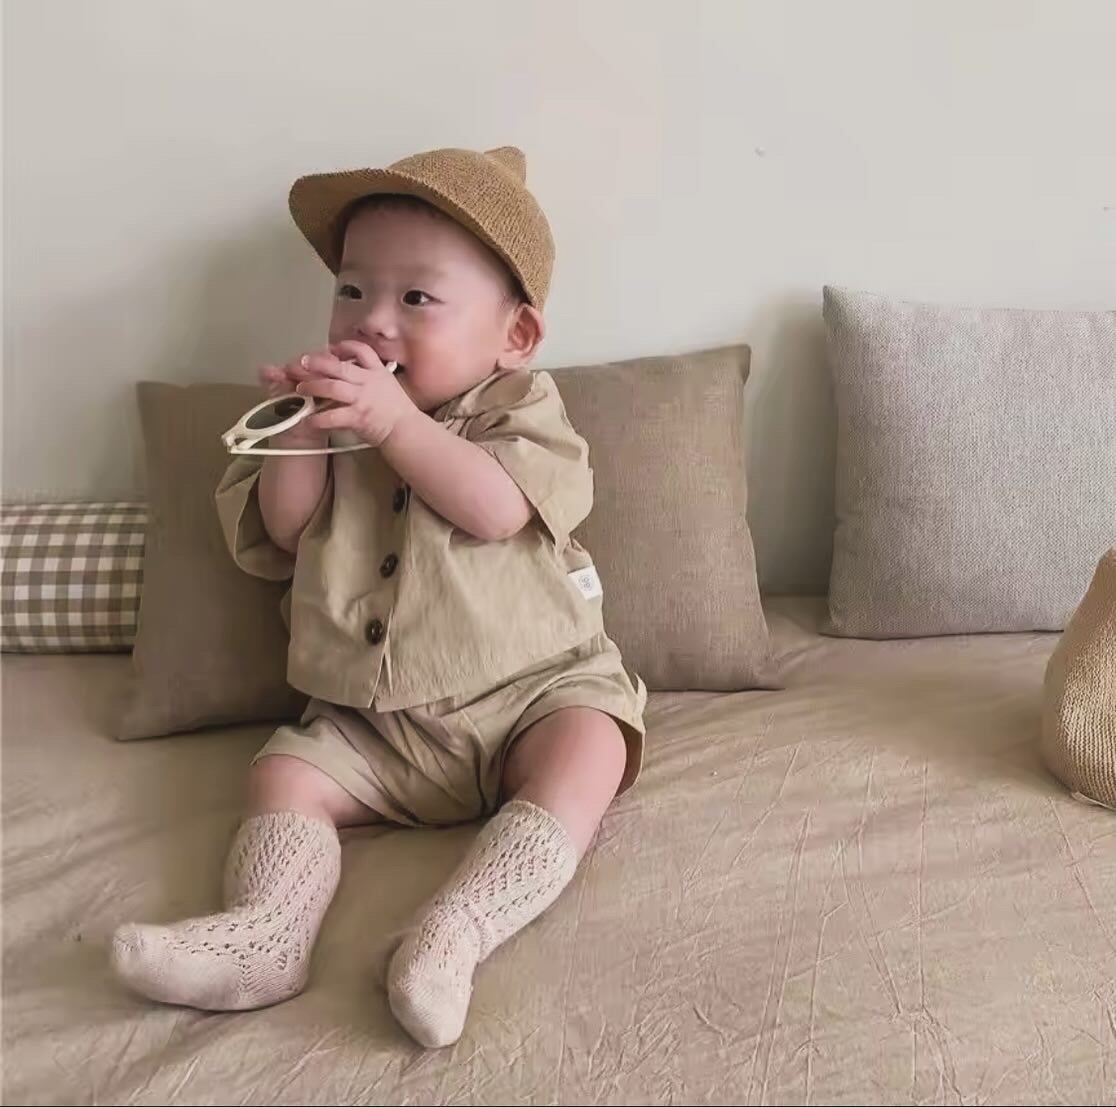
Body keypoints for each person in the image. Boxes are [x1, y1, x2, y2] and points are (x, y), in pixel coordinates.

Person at [111, 145, 647, 1048]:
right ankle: (265, 935)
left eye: (417, 298)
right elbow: (286, 532)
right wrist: (299, 436)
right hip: (370, 722)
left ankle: (456, 931)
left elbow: (493, 507)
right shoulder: (337, 422)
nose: (373, 322)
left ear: (514, 335)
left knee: (592, 746)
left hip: (529, 696)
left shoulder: (520, 408)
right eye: (353, 291)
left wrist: (394, 424)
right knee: (283, 773)